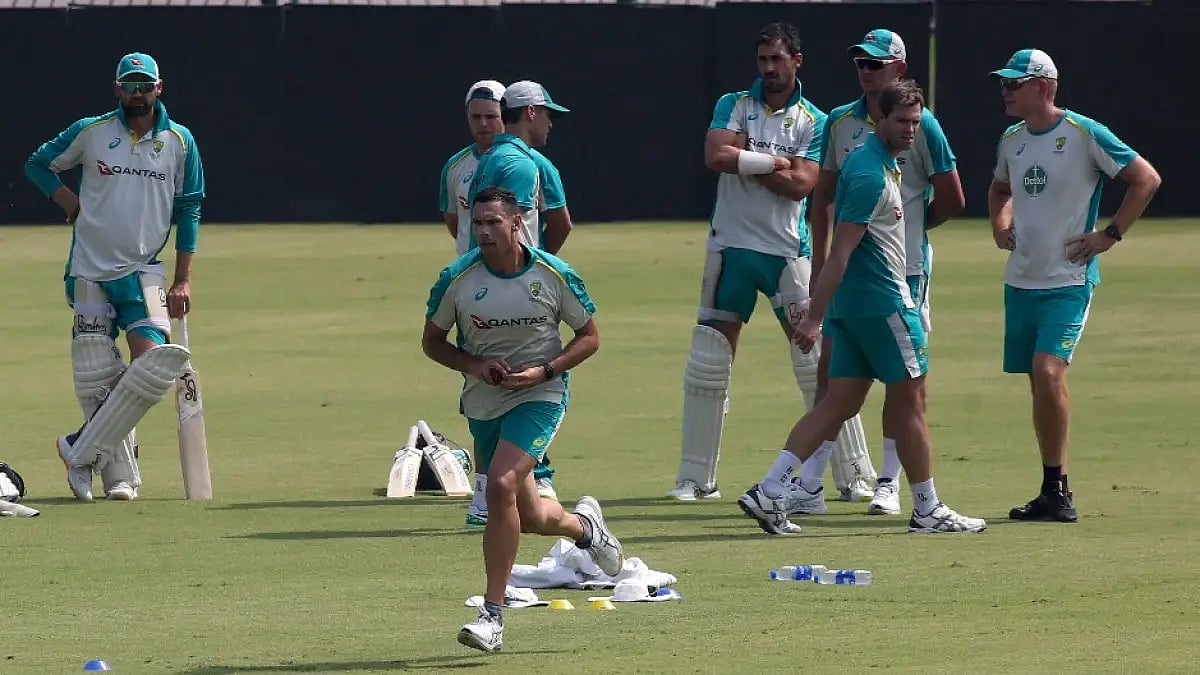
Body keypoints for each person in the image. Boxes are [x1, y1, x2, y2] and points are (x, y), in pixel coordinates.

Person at [738, 79, 987, 536]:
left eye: (916, 122)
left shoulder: (874, 161)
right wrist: (814, 316)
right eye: (901, 121)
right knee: (910, 401)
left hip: (854, 310)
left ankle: (770, 489)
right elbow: (841, 252)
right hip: (884, 305)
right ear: (880, 119)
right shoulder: (871, 173)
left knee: (839, 402)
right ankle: (927, 508)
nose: (910, 130)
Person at [668, 22, 870, 511]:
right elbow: (715, 155)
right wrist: (773, 163)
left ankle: (854, 476)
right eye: (762, 59)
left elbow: (803, 184)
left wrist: (748, 158)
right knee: (708, 362)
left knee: (817, 363)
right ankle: (696, 479)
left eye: (777, 59)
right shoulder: (734, 103)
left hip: (785, 252)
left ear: (796, 60)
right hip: (729, 249)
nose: (769, 68)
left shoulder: (814, 119)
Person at [422, 186, 624, 653]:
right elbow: (432, 342)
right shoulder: (458, 279)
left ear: (517, 223)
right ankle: (585, 529)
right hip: (483, 402)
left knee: (499, 485)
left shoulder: (553, 274)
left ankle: (491, 616)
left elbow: (589, 337)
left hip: (541, 395)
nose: (484, 231)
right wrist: (476, 366)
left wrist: (545, 371)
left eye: (494, 222)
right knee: (531, 516)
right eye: (478, 223)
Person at [986, 49, 1160, 523]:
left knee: (1048, 372)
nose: (1006, 91)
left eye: (1015, 83)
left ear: (1044, 86)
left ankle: (1059, 492)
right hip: (1021, 281)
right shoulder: (1011, 140)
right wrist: (1000, 225)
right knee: (1037, 383)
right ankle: (1050, 488)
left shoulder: (1084, 133)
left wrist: (1110, 235)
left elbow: (1145, 179)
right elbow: (1000, 189)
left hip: (1068, 280)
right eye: (1004, 83)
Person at [24, 52, 204, 502]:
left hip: (144, 270)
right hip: (88, 267)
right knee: (96, 378)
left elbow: (189, 208)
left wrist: (182, 279)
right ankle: (119, 478)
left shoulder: (180, 141)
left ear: (159, 88)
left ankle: (79, 449)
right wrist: (68, 201)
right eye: (130, 85)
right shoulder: (92, 131)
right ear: (117, 89)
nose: (137, 94)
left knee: (155, 367)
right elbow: (37, 163)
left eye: (145, 85)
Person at [805, 28, 966, 515]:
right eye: (861, 62)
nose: (865, 71)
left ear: (899, 67)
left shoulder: (921, 122)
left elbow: (952, 197)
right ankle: (807, 482)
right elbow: (823, 195)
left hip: (906, 271)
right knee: (833, 372)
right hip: (850, 271)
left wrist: (909, 228)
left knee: (905, 380)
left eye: (875, 63)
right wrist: (820, 260)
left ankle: (890, 483)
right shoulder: (839, 121)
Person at [462, 80, 576, 521]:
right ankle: (532, 482)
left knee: (486, 387)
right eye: (547, 114)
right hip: (515, 292)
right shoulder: (526, 164)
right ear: (530, 113)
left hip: (478, 288)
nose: (551, 123)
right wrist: (536, 274)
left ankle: (484, 495)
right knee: (529, 383)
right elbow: (546, 227)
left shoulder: (486, 158)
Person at [441, 80, 507, 257]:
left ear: (505, 115)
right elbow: (454, 220)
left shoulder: (530, 162)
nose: (483, 123)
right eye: (476, 117)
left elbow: (559, 222)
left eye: (491, 116)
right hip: (471, 268)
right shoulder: (454, 166)